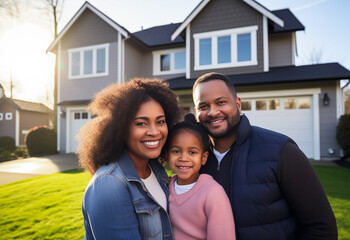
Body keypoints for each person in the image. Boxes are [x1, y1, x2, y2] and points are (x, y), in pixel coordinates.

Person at [192, 72, 337, 240]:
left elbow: (321, 228)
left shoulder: (281, 151)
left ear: (238, 104)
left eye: (221, 102)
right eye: (203, 106)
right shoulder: (191, 162)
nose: (212, 112)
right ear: (196, 112)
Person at [78, 78, 181, 240]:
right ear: (121, 129)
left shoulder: (155, 168)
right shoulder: (109, 184)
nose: (154, 132)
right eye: (141, 124)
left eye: (160, 121)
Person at [165, 113, 236, 240]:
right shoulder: (165, 187)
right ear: (167, 155)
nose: (183, 158)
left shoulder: (213, 193)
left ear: (203, 158)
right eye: (176, 151)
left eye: (192, 152)